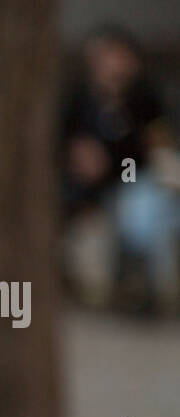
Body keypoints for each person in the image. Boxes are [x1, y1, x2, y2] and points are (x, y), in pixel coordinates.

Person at [62, 25, 180, 313]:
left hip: (138, 183)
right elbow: (65, 142)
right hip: (89, 190)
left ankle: (152, 291)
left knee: (141, 217)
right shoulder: (81, 98)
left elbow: (160, 147)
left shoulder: (144, 100)